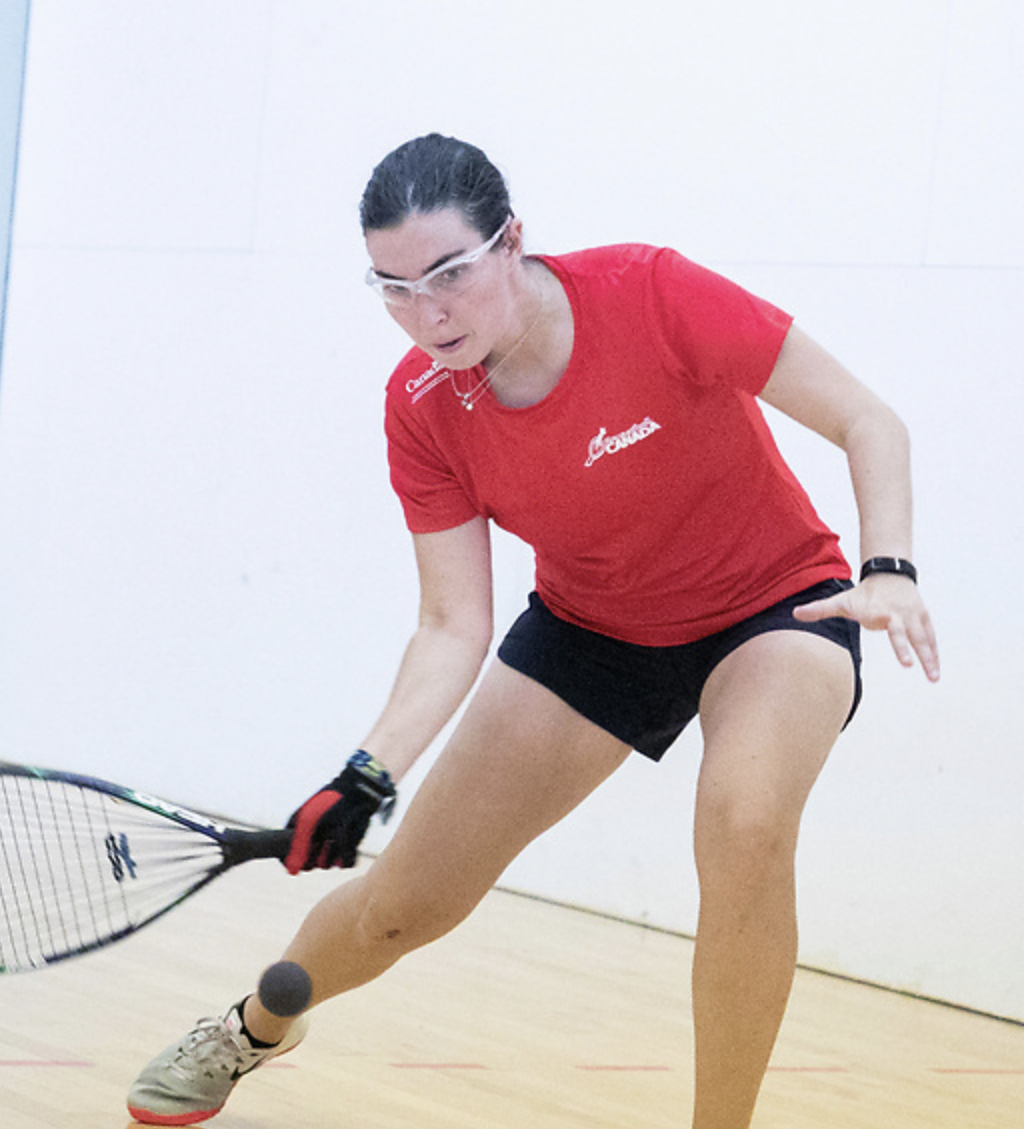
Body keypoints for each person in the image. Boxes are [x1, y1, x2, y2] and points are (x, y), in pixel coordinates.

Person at [126, 133, 940, 1128]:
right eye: (391, 289)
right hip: (589, 629)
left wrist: (886, 567)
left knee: (744, 820)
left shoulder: (649, 292)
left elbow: (868, 418)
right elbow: (447, 622)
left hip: (773, 605)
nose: (425, 315)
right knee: (398, 908)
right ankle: (253, 1025)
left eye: (449, 276)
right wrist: (365, 771)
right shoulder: (421, 408)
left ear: (510, 242)